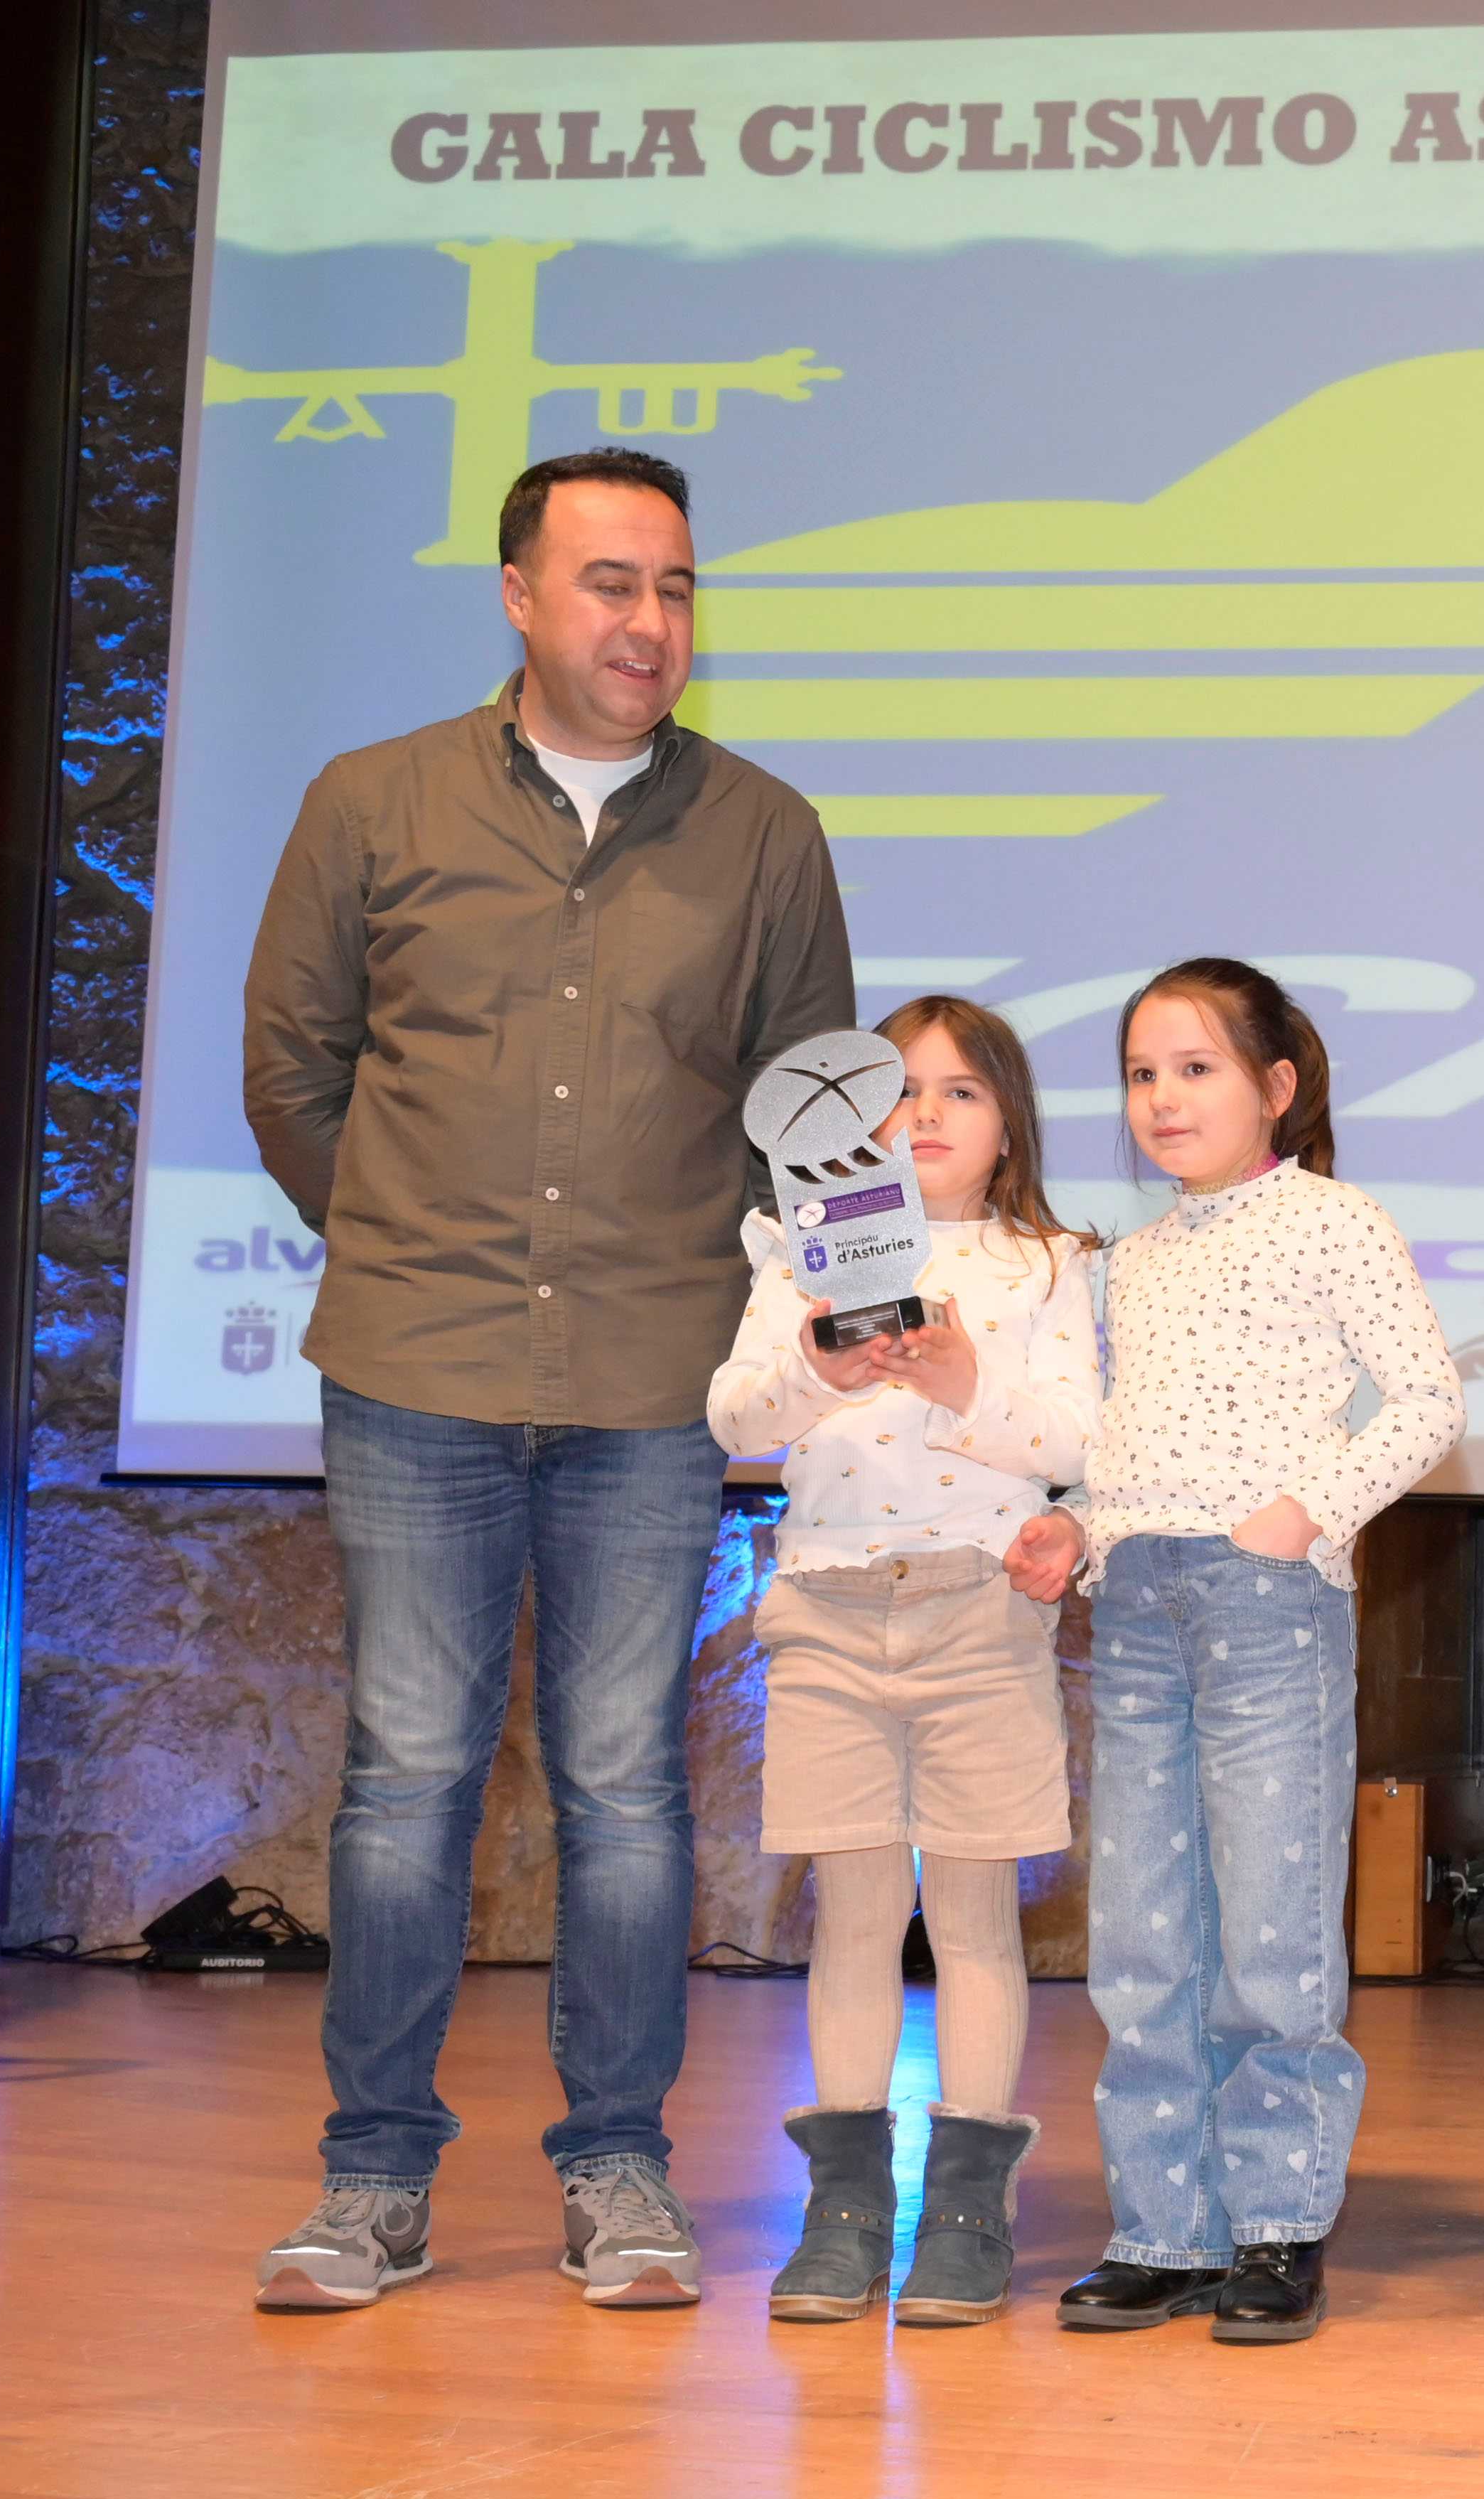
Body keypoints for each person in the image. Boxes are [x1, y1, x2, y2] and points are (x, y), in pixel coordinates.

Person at [246, 446, 854, 2315]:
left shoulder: (764, 832)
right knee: (406, 1779)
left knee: (624, 1789)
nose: (648, 623)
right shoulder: (373, 802)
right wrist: (412, 1243)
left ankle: (620, 2172)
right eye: (609, 584)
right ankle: (371, 2185)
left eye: (675, 587)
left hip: (654, 1382)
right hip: (415, 1367)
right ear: (517, 594)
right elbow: (295, 1076)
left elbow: (813, 1112)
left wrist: (841, 1317)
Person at [1048, 961, 1461, 2345]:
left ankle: (1278, 2223)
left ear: (1276, 1087)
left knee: (1273, 1928)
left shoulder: (1332, 1220)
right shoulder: (1130, 1257)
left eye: (1198, 1068)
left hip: (1266, 1597)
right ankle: (1166, 2226)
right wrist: (1077, 1525)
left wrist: (1310, 1510)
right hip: (1139, 1597)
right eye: (1142, 1073)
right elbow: (1111, 1430)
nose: (1163, 1097)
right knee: (1147, 1931)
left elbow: (1429, 1396)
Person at [706, 998, 1099, 2326]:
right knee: (856, 1913)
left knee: (979, 1918)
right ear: (848, 1125)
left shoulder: (1044, 1262)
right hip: (823, 1608)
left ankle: (970, 2205)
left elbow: (1072, 1432)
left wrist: (957, 1381)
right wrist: (822, 1363)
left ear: (1007, 1130)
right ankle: (846, 2206)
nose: (925, 1114)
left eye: (962, 1092)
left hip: (980, 1615)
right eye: (900, 1090)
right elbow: (736, 1414)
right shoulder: (798, 1255)